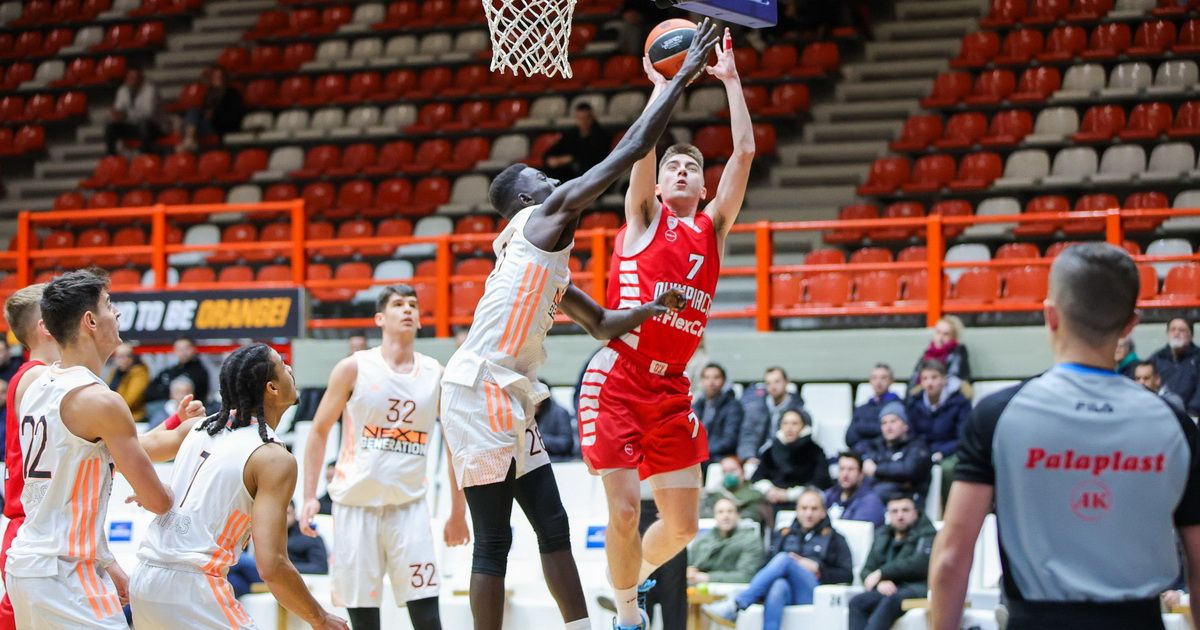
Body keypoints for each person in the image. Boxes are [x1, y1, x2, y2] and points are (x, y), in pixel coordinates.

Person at [442, 22, 716, 630]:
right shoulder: (541, 222)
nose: (552, 181)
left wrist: (654, 308)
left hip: (509, 390)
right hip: (478, 388)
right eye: (540, 180)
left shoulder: (543, 261)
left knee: (554, 523)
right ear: (526, 201)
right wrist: (673, 82)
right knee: (495, 540)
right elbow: (626, 155)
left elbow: (602, 324)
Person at [930, 243, 1200, 630]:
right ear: (1130, 324)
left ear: (1051, 315)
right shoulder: (1174, 424)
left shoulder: (998, 415)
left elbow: (951, 558)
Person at [581, 30, 755, 628]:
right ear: (658, 184)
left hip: (672, 387)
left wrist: (731, 80)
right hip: (620, 377)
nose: (682, 170)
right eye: (673, 166)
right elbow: (643, 146)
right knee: (627, 513)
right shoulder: (643, 216)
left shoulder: (712, 229)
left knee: (682, 527)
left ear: (704, 188)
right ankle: (628, 615)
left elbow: (744, 154)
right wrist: (664, 88)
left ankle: (620, 580)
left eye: (692, 168)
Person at [4, 270, 202, 628]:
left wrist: (105, 559)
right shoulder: (99, 400)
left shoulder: (39, 384)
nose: (117, 313)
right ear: (90, 321)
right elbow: (158, 501)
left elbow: (100, 458)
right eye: (109, 305)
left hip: (30, 561)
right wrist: (167, 488)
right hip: (63, 572)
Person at [130, 343, 348, 630]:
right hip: (194, 587)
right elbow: (272, 565)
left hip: (144, 580)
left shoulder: (197, 427)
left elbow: (130, 449)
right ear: (272, 388)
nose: (290, 368)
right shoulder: (272, 457)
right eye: (282, 365)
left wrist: (172, 426)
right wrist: (321, 618)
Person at [299, 286, 467, 630]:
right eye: (398, 304)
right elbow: (318, 431)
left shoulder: (436, 373)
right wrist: (309, 496)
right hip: (355, 506)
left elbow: (455, 446)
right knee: (364, 620)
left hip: (410, 507)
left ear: (419, 320)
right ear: (380, 318)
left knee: (428, 617)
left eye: (413, 305)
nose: (407, 310)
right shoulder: (353, 368)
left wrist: (458, 512)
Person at [703, 489, 853, 630]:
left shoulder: (835, 538)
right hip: (786, 590)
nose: (808, 513)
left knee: (784, 559)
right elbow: (765, 565)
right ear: (797, 510)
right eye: (804, 508)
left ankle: (737, 604)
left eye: (814, 509)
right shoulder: (784, 534)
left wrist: (819, 569)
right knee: (778, 586)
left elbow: (847, 574)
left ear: (823, 512)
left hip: (813, 591)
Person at [0, 283, 61, 630]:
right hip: (33, 527)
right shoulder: (41, 377)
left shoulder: (29, 375)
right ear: (46, 326)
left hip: (32, 527)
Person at [849, 494, 937, 630]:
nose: (900, 516)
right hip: (889, 589)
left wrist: (882, 573)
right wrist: (879, 584)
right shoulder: (882, 534)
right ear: (888, 515)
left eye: (905, 510)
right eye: (894, 511)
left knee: (890, 600)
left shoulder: (928, 532)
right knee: (857, 602)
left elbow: (920, 564)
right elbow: (867, 570)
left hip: (916, 588)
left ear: (916, 512)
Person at [905, 359, 970, 507]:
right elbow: (912, 434)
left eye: (934, 377)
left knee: (948, 470)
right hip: (923, 450)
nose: (929, 383)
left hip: (951, 450)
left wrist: (942, 452)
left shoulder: (960, 402)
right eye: (925, 378)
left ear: (944, 380)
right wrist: (923, 452)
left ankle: (950, 510)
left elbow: (963, 437)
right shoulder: (914, 402)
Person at [752, 409, 831, 510]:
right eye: (785, 423)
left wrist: (790, 495)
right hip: (771, 502)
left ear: (803, 426)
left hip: (802, 506)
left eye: (794, 423)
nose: (789, 428)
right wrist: (770, 490)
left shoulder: (815, 451)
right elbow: (757, 478)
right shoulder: (770, 450)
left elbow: (821, 482)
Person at [857, 401, 931, 502]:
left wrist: (876, 470)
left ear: (905, 425)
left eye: (893, 421)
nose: (888, 427)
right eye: (884, 423)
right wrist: (894, 476)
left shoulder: (917, 445)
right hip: (878, 498)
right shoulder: (875, 445)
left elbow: (909, 470)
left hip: (908, 500)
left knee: (876, 493)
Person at [686, 498, 762, 586]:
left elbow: (746, 576)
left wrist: (707, 577)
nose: (725, 516)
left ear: (738, 515)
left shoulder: (750, 540)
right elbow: (689, 565)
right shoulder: (702, 539)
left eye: (730, 511)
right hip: (696, 588)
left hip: (733, 588)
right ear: (715, 516)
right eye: (720, 512)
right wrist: (689, 571)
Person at [741, 366, 809, 463]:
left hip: (787, 459)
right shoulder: (757, 408)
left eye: (777, 381)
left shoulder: (798, 410)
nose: (773, 387)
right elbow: (748, 435)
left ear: (786, 382)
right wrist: (749, 456)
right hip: (758, 458)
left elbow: (803, 439)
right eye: (768, 383)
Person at [179, 65, 244, 154]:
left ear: (225, 78)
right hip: (206, 123)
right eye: (215, 77)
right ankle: (189, 140)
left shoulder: (232, 94)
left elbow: (233, 115)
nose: (218, 79)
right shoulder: (209, 94)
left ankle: (188, 141)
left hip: (221, 126)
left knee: (192, 117)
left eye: (220, 77)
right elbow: (203, 110)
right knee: (193, 112)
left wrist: (214, 114)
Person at [543, 102, 613, 182]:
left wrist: (571, 159)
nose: (583, 121)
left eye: (586, 118)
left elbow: (595, 157)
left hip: (591, 173)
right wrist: (552, 159)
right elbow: (552, 151)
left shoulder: (602, 135)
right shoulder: (571, 134)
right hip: (569, 171)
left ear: (592, 118)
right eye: (580, 118)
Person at [104, 67, 163, 155]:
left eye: (134, 78)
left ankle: (145, 155)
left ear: (141, 79)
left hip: (154, 126)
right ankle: (111, 157)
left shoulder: (150, 90)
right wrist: (114, 114)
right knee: (110, 127)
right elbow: (118, 109)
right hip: (132, 126)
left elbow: (148, 113)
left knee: (144, 125)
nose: (131, 81)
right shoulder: (122, 90)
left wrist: (126, 115)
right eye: (129, 78)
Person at [907, 315, 971, 395]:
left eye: (946, 334)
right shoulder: (927, 353)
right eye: (938, 332)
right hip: (922, 397)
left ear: (954, 337)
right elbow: (914, 379)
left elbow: (954, 378)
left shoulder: (958, 352)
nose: (940, 338)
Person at [693, 363, 742, 463]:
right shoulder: (697, 405)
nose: (711, 382)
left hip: (719, 456)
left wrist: (701, 451)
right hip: (697, 455)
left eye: (716, 377)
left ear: (723, 381)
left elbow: (729, 440)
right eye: (707, 378)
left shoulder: (732, 406)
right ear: (701, 381)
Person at [1150, 317, 1200, 415]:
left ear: (1191, 335)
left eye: (1181, 330)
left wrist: (1192, 412)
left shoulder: (1198, 358)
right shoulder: (1157, 358)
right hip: (1161, 413)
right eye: (1173, 330)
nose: (1176, 333)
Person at [845, 364, 900, 451]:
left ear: (892, 381)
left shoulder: (898, 407)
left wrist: (860, 428)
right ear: (870, 381)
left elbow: (892, 434)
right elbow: (849, 438)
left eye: (883, 378)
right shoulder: (861, 409)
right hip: (860, 453)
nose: (878, 382)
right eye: (875, 378)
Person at [824, 451, 885, 528]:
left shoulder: (870, 501)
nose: (845, 474)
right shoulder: (831, 493)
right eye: (842, 469)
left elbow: (857, 531)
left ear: (861, 474)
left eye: (851, 469)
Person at [144, 335, 211, 406]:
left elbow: (197, 396)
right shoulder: (169, 371)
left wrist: (165, 390)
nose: (183, 352)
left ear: (194, 349)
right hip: (165, 406)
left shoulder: (200, 372)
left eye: (187, 348)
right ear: (174, 350)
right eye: (179, 349)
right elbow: (149, 393)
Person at [703, 455, 767, 525]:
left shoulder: (755, 496)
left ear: (743, 472)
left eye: (732, 470)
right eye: (725, 471)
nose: (729, 475)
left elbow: (753, 516)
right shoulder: (714, 495)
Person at [104, 342, 150, 422]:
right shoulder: (115, 372)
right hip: (114, 414)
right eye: (120, 357)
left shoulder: (139, 373)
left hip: (132, 417)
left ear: (133, 357)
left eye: (128, 356)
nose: (124, 360)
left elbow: (130, 400)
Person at [285, 502, 327, 575]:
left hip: (302, 578)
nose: (283, 517)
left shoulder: (310, 536)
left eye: (287, 513)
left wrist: (284, 568)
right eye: (280, 514)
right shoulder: (269, 536)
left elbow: (320, 568)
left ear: (295, 513)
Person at [536, 388, 577, 462]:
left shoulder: (559, 412)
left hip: (557, 461)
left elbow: (566, 443)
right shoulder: (528, 413)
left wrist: (540, 440)